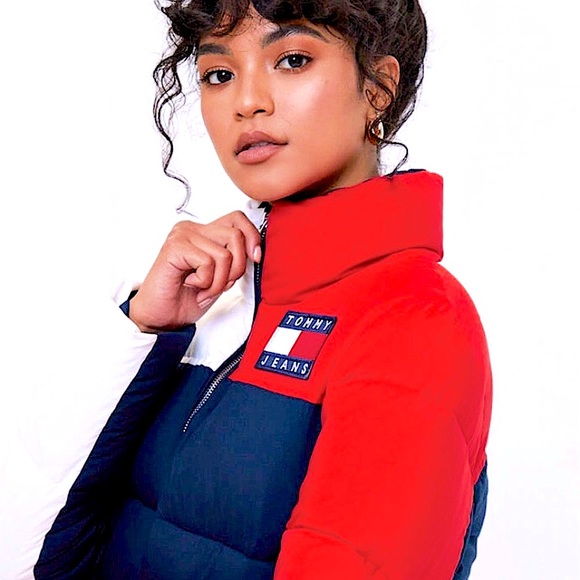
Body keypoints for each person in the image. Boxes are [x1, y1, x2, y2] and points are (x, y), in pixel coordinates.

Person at [1, 1, 492, 578]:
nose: (247, 101)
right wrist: (144, 329)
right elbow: (33, 547)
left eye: (292, 60)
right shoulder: (214, 301)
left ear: (378, 88)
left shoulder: (414, 320)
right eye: (219, 74)